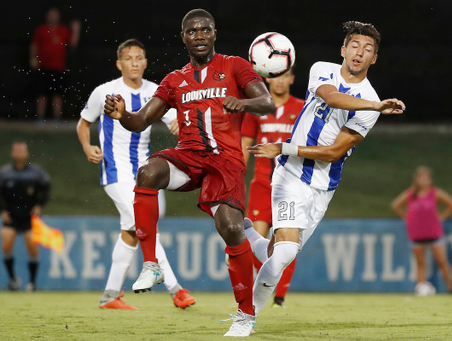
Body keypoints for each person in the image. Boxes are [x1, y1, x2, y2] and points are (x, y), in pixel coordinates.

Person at [103, 9, 274, 337]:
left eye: (205, 30)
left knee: (229, 227)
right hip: (190, 157)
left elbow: (266, 102)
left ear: (214, 34)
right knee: (148, 172)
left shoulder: (234, 65)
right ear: (183, 37)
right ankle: (151, 264)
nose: (199, 35)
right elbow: (139, 122)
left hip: (225, 161)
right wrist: (122, 114)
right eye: (192, 31)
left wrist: (244, 103)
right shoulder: (174, 80)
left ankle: (245, 315)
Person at [245, 21, 405, 322]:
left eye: (368, 49)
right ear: (343, 50)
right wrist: (375, 105)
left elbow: (333, 153)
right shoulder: (323, 70)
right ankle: (246, 316)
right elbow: (331, 97)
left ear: (374, 59)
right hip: (290, 174)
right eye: (355, 46)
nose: (359, 53)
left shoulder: (371, 106)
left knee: (276, 251)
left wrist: (284, 146)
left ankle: (247, 233)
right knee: (282, 255)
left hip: (322, 188)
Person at [77, 39, 195, 310]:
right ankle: (176, 290)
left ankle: (110, 295)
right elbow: (84, 123)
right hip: (115, 170)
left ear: (145, 62)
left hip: (145, 174)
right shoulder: (105, 92)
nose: (134, 62)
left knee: (132, 232)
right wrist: (87, 146)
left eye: (139, 57)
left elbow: (173, 118)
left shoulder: (155, 91)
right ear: (119, 64)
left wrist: (179, 123)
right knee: (145, 226)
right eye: (128, 58)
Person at [240, 69, 303, 308]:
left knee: (287, 241)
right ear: (267, 77)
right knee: (256, 239)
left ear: (291, 79)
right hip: (261, 185)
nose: (279, 80)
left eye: (284, 75)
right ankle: (267, 281)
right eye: (275, 75)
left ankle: (279, 296)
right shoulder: (257, 109)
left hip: (291, 186)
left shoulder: (301, 108)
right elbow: (244, 146)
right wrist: (236, 177)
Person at [391, 166, 452, 293]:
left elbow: (451, 204)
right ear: (417, 179)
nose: (424, 180)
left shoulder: (435, 193)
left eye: (427, 178)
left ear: (430, 180)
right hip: (417, 233)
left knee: (442, 261)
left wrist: (442, 216)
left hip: (434, 232)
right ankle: (420, 289)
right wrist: (407, 218)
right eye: (422, 178)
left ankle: (451, 288)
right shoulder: (411, 194)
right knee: (420, 263)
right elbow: (396, 205)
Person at [0, 141, 51, 291]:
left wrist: (39, 205)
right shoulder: (5, 173)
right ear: (12, 153)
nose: (19, 153)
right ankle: (13, 280)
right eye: (17, 150)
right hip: (11, 215)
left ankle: (32, 283)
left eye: (22, 150)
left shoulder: (36, 172)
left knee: (32, 247)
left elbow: (46, 189)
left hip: (29, 216)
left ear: (27, 153)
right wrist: (3, 210)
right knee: (6, 245)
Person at [30, 7, 81, 121]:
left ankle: (57, 118)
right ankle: (40, 117)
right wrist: (33, 61)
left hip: (59, 67)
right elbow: (34, 46)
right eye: (50, 15)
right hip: (43, 67)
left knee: (57, 94)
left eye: (55, 15)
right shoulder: (41, 30)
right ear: (47, 16)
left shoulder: (63, 30)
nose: (53, 17)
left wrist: (76, 30)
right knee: (41, 93)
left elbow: (73, 44)